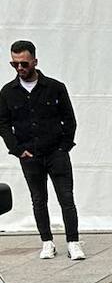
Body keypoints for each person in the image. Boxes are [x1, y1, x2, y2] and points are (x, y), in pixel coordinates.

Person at [0, 40, 84, 261]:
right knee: (38, 199)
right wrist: (16, 149)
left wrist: (64, 146)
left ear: (35, 61)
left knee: (66, 198)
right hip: (29, 156)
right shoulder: (8, 92)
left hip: (56, 153)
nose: (20, 68)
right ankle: (47, 242)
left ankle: (73, 242)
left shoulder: (55, 87)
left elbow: (70, 119)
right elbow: (3, 123)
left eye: (24, 64)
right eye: (14, 64)